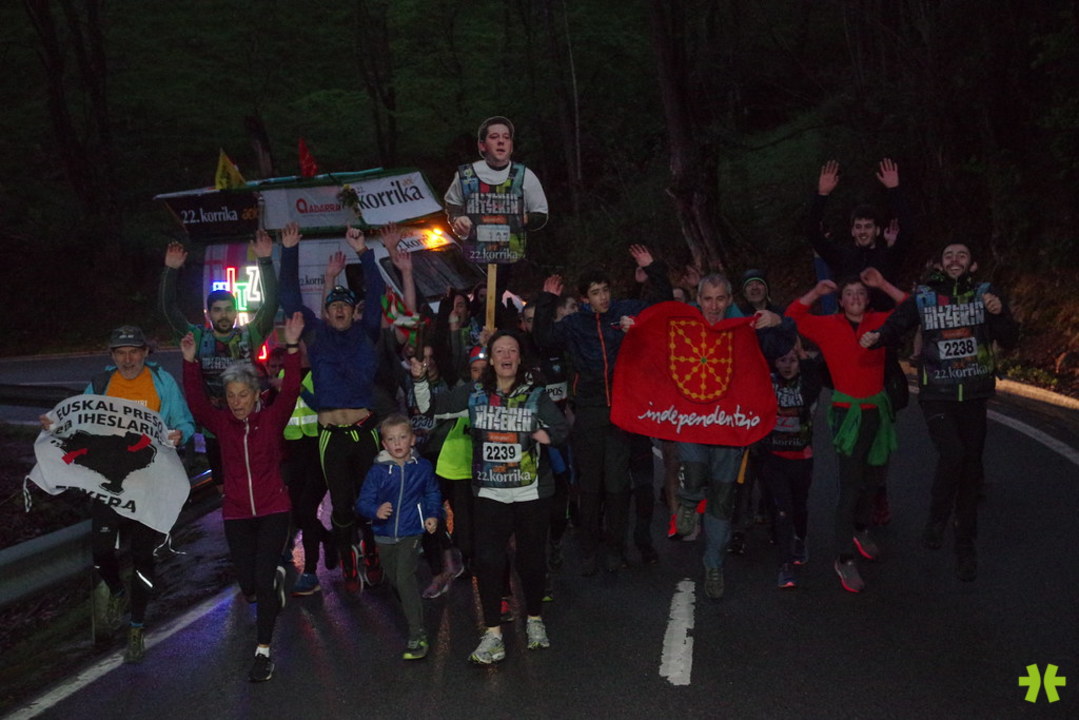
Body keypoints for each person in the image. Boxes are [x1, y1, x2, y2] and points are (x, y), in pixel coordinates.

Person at [860, 243, 1019, 581]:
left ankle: (965, 547)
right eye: (949, 256)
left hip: (974, 395)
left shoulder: (985, 294)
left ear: (972, 264)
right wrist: (878, 336)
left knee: (971, 472)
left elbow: (1010, 338)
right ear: (940, 264)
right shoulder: (925, 296)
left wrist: (998, 313)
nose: (955, 260)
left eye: (962, 255)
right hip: (937, 394)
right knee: (953, 454)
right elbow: (898, 323)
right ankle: (937, 517)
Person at [411, 331, 569, 665]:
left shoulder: (535, 395)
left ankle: (534, 619)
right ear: (491, 360)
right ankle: (493, 634)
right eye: (499, 351)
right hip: (490, 491)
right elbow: (430, 407)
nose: (506, 355)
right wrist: (420, 379)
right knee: (487, 560)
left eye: (512, 350)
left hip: (530, 491)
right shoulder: (475, 394)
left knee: (531, 559)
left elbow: (560, 430)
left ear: (519, 358)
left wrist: (538, 434)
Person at [41, 326, 195, 663]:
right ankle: (117, 591)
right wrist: (55, 426)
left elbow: (185, 421)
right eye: (121, 353)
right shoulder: (101, 384)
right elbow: (77, 421)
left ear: (145, 352)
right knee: (100, 551)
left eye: (134, 352)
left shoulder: (162, 382)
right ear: (112, 356)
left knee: (143, 557)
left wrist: (180, 434)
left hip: (149, 485)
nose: (128, 360)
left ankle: (136, 627)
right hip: (108, 484)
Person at [181, 311, 304, 682]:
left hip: (273, 509)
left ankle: (263, 651)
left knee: (262, 581)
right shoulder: (221, 424)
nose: (236, 402)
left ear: (255, 395)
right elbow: (197, 403)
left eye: (243, 395)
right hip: (236, 513)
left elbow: (292, 389)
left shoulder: (271, 420)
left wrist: (293, 348)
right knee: (248, 585)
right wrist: (189, 363)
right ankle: (271, 584)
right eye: (231, 396)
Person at [532, 245, 671, 574]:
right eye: (595, 293)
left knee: (618, 484)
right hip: (589, 411)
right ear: (584, 298)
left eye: (605, 290)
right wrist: (547, 300)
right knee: (591, 484)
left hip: (622, 409)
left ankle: (616, 548)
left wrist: (653, 268)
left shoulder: (623, 312)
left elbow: (663, 305)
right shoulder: (575, 324)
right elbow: (543, 338)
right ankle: (588, 549)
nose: (603, 297)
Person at [279, 221, 387, 592]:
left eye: (345, 306)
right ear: (325, 313)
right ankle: (347, 556)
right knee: (341, 504)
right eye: (333, 306)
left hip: (365, 430)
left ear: (353, 311)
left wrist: (363, 252)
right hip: (331, 436)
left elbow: (377, 292)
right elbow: (290, 300)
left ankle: (371, 551)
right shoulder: (317, 336)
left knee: (370, 499)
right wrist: (289, 251)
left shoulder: (366, 332)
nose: (339, 310)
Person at [785, 268, 907, 593]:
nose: (855, 298)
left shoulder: (881, 322)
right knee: (850, 485)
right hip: (846, 412)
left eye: (860, 294)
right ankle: (844, 558)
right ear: (840, 301)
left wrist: (883, 283)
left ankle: (860, 528)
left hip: (877, 410)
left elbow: (912, 307)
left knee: (874, 479)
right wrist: (816, 293)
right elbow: (792, 317)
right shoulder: (828, 326)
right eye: (849, 294)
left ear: (868, 300)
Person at [670, 274, 782, 601]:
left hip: (729, 428)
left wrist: (778, 322)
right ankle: (688, 501)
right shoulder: (683, 325)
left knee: (721, 500)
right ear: (698, 299)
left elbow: (781, 346)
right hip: (693, 420)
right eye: (708, 298)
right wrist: (632, 326)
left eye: (720, 298)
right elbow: (652, 331)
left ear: (730, 299)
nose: (714, 306)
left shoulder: (744, 329)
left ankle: (714, 564)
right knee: (693, 470)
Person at [159, 230, 278, 487]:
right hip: (215, 429)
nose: (223, 315)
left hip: (250, 425)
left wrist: (265, 261)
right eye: (217, 310)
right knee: (224, 486)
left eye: (228, 309)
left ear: (236, 312)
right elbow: (169, 310)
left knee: (256, 483)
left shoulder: (249, 335)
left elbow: (271, 305)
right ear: (208, 313)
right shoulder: (197, 337)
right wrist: (171, 270)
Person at [355, 414, 441, 660]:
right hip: (383, 534)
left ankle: (417, 634)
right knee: (396, 580)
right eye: (391, 439)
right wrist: (375, 510)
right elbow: (363, 502)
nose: (397, 443)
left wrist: (432, 515)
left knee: (404, 577)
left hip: (411, 531)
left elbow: (433, 493)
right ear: (384, 444)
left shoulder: (422, 467)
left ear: (412, 439)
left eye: (402, 437)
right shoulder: (377, 471)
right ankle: (413, 609)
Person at [757, 329, 823, 588]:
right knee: (783, 509)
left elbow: (813, 371)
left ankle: (801, 538)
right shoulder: (768, 382)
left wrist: (800, 350)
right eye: (782, 360)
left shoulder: (809, 384)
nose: (787, 365)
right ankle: (785, 565)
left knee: (799, 506)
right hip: (774, 459)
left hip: (802, 458)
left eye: (792, 360)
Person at [806, 159, 913, 311]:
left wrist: (894, 190)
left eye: (868, 227)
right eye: (858, 227)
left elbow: (908, 229)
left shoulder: (889, 257)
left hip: (883, 323)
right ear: (852, 231)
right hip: (847, 323)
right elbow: (813, 233)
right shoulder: (840, 256)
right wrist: (822, 195)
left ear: (877, 231)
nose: (862, 231)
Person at [444, 116, 549, 260]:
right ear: (482, 145)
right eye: (494, 137)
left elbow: (541, 215)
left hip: (514, 257)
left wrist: (518, 219)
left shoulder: (525, 176)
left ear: (511, 145)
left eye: (506, 137)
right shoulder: (466, 176)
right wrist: (458, 220)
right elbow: (452, 206)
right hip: (476, 258)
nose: (501, 141)